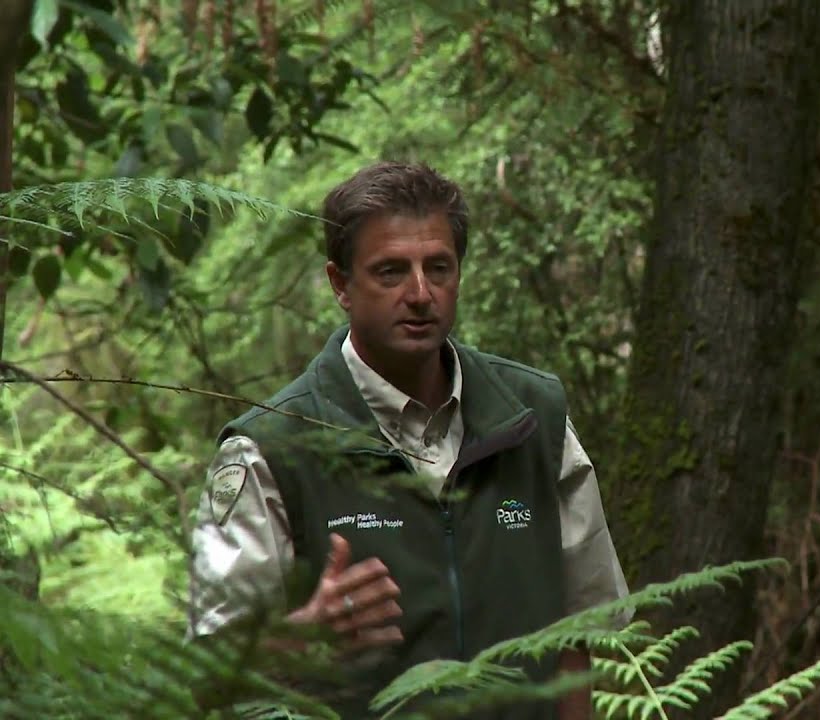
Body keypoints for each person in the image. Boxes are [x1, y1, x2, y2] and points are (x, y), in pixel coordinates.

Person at [186, 161, 631, 719]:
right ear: (341, 285)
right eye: (391, 271)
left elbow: (577, 632)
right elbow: (203, 679)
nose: (420, 293)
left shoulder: (532, 420)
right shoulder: (271, 450)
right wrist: (296, 641)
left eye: (438, 268)